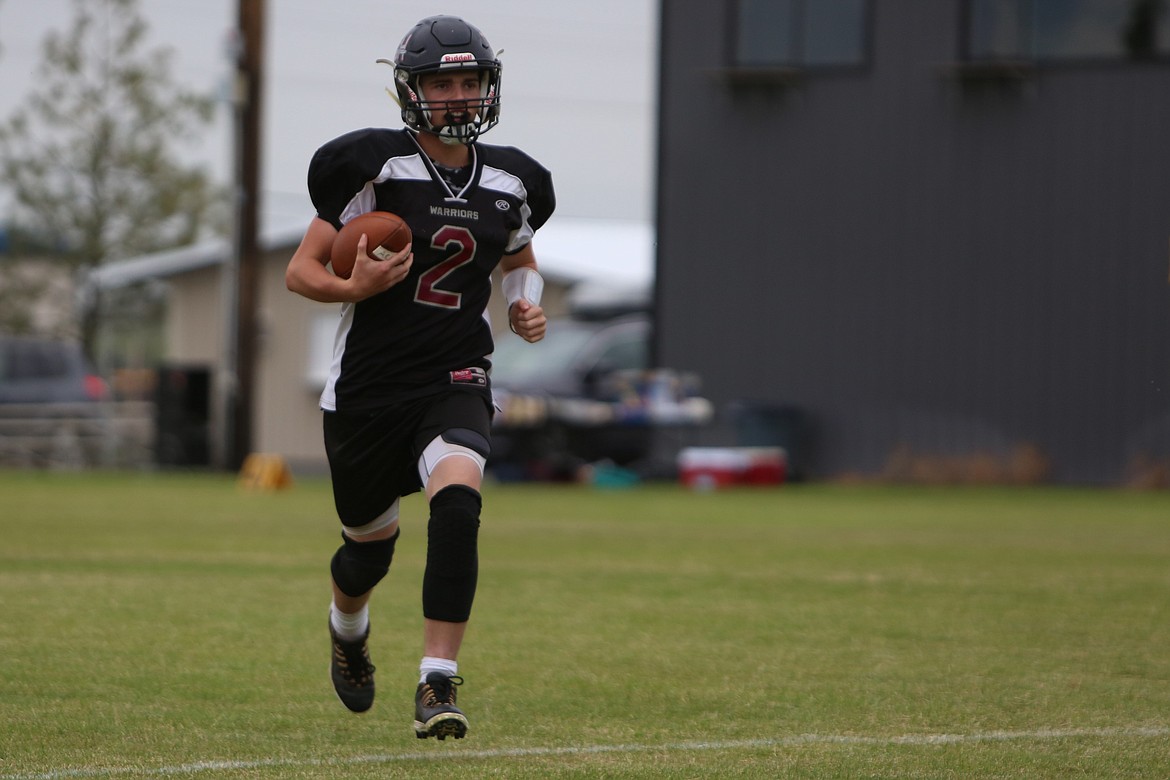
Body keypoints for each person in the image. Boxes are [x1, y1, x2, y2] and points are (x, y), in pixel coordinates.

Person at [285, 14, 554, 740]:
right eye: (444, 83)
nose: (459, 97)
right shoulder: (373, 168)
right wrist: (354, 289)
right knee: (366, 551)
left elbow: (520, 264)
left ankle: (437, 682)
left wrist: (526, 306)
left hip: (454, 376)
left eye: (470, 82)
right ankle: (348, 629)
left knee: (459, 504)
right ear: (412, 92)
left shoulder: (513, 179)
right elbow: (301, 269)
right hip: (368, 390)